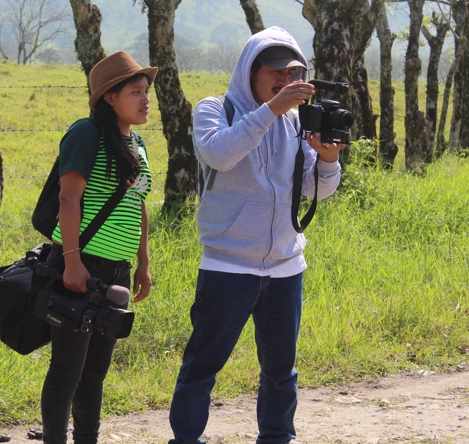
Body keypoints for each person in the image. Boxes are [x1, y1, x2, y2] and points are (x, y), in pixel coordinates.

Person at [168, 26, 344, 444]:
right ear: (251, 70)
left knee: (281, 372)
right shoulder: (214, 109)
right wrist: (270, 111)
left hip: (285, 268)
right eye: (276, 73)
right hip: (227, 266)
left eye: (293, 74)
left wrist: (328, 161)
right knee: (202, 366)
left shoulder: (295, 122)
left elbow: (312, 189)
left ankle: (278, 438)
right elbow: (219, 154)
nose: (285, 81)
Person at [40, 51, 155, 444]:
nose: (145, 100)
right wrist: (72, 263)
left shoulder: (137, 142)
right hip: (82, 267)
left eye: (146, 91)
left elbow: (138, 205)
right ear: (109, 97)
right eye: (135, 92)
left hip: (117, 272)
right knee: (67, 372)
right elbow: (68, 198)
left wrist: (142, 263)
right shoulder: (86, 134)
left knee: (94, 374)